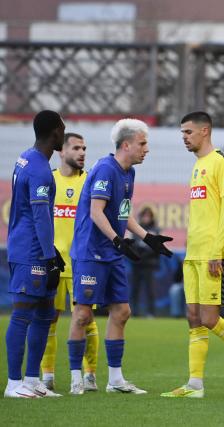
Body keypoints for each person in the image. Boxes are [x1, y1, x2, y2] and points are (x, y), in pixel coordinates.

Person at [161, 111, 224, 399]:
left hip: (211, 253)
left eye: (188, 132)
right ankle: (195, 385)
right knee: (192, 316)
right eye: (182, 133)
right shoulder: (197, 165)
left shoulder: (221, 162)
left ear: (205, 131)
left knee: (209, 317)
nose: (184, 137)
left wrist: (218, 251)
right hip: (193, 252)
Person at [68, 118, 173, 395]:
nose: (146, 149)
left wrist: (147, 237)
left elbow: (122, 214)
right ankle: (76, 378)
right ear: (126, 145)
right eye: (142, 143)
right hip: (91, 251)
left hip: (111, 252)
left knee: (122, 311)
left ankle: (115, 380)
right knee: (82, 314)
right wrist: (117, 239)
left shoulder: (129, 173)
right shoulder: (105, 169)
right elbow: (96, 213)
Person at [4, 110, 66, 398]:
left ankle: (31, 379)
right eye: (62, 129)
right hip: (30, 251)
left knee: (44, 314)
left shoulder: (26, 157)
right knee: (22, 314)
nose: (64, 134)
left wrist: (50, 250)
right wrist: (48, 256)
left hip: (33, 246)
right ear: (55, 132)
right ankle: (13, 384)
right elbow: (40, 215)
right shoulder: (40, 169)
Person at [41, 133, 100, 392]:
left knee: (86, 318)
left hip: (82, 263)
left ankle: (90, 375)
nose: (82, 152)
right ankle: (47, 375)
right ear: (61, 151)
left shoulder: (90, 182)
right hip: (53, 264)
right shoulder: (48, 180)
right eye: (76, 148)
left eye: (84, 148)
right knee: (48, 319)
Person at [130, 206, 161, 317]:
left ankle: (151, 313)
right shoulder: (136, 228)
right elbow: (133, 245)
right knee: (135, 289)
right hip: (137, 264)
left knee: (150, 290)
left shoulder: (156, 230)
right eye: (144, 215)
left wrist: (145, 253)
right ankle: (134, 312)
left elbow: (156, 248)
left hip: (150, 264)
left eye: (148, 216)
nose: (146, 218)